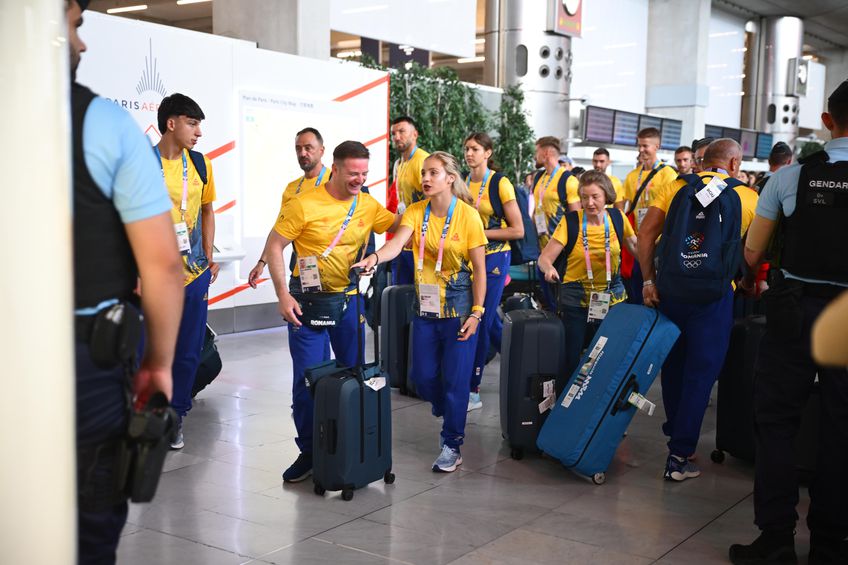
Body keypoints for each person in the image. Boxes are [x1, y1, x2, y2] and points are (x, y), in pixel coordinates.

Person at [68, 0, 185, 561]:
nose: (82, 43)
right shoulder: (104, 124)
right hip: (80, 361)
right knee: (87, 521)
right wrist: (156, 364)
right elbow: (162, 265)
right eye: (76, 26)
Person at [729, 82, 848, 565]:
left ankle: (776, 539)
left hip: (794, 310)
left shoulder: (789, 179)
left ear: (826, 121)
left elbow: (753, 252)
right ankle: (832, 544)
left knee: (777, 421)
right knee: (844, 425)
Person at [265, 141, 398, 483]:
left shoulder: (367, 205)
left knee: (357, 375)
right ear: (335, 168)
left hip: (349, 301)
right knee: (308, 379)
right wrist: (282, 294)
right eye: (353, 173)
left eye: (365, 174)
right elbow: (275, 245)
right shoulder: (303, 204)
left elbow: (400, 229)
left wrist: (376, 256)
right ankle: (310, 451)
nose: (359, 179)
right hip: (305, 302)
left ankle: (354, 445)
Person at [354, 152, 487, 473]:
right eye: (424, 173)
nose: (426, 178)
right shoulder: (416, 212)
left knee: (456, 382)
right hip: (425, 308)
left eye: (434, 173)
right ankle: (445, 406)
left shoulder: (468, 216)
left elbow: (480, 270)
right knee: (423, 377)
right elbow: (397, 244)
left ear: (450, 179)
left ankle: (452, 444)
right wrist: (375, 258)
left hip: (458, 310)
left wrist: (477, 313)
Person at [637, 139, 758, 482]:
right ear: (734, 164)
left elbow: (645, 235)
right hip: (714, 298)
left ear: (703, 161)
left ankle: (677, 434)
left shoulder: (674, 187)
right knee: (701, 374)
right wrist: (745, 279)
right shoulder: (749, 197)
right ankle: (680, 455)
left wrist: (648, 282)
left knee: (674, 367)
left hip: (671, 291)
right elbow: (754, 252)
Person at [154, 93, 218, 450]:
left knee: (189, 350)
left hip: (193, 276)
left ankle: (175, 418)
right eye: (192, 124)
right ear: (172, 123)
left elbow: (208, 210)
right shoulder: (143, 164)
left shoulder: (201, 164)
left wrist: (208, 257)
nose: (198, 132)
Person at [538, 171, 636, 380]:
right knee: (572, 357)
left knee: (608, 354)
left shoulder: (618, 218)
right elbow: (544, 258)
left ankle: (599, 399)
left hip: (612, 296)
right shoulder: (571, 222)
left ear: (606, 196)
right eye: (584, 197)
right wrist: (549, 269)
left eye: (595, 197)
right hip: (576, 299)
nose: (589, 203)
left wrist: (652, 274)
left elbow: (636, 247)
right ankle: (568, 402)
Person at [463, 133, 524, 411]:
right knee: (488, 321)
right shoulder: (464, 181)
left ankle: (473, 389)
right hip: (471, 257)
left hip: (496, 257)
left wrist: (479, 233)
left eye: (475, 149)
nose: (469, 153)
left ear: (488, 153)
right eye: (466, 149)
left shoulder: (500, 182)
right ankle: (521, 362)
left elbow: (518, 229)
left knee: (482, 318)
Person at [248, 127, 330, 288]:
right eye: (298, 149)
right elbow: (279, 229)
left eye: (308, 148)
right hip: (303, 271)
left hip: (334, 273)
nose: (302, 153)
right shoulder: (292, 188)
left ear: (321, 150)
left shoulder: (336, 181)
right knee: (295, 313)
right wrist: (262, 262)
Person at [620, 128, 678, 305]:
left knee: (657, 290)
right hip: (637, 241)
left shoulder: (668, 174)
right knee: (636, 287)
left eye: (645, 146)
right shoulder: (631, 176)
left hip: (659, 242)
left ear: (657, 146)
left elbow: (672, 209)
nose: (641, 150)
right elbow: (626, 208)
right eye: (639, 145)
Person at [533, 136, 580, 309]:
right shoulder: (539, 177)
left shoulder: (568, 180)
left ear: (545, 153)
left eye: (536, 151)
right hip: (541, 249)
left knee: (561, 300)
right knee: (548, 299)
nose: (534, 156)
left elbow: (576, 217)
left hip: (561, 251)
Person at [390, 116, 430, 285]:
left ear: (415, 134)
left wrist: (415, 233)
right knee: (401, 290)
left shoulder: (422, 160)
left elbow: (432, 200)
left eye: (402, 132)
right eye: (393, 133)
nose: (397, 137)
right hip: (406, 234)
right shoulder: (399, 163)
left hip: (422, 238)